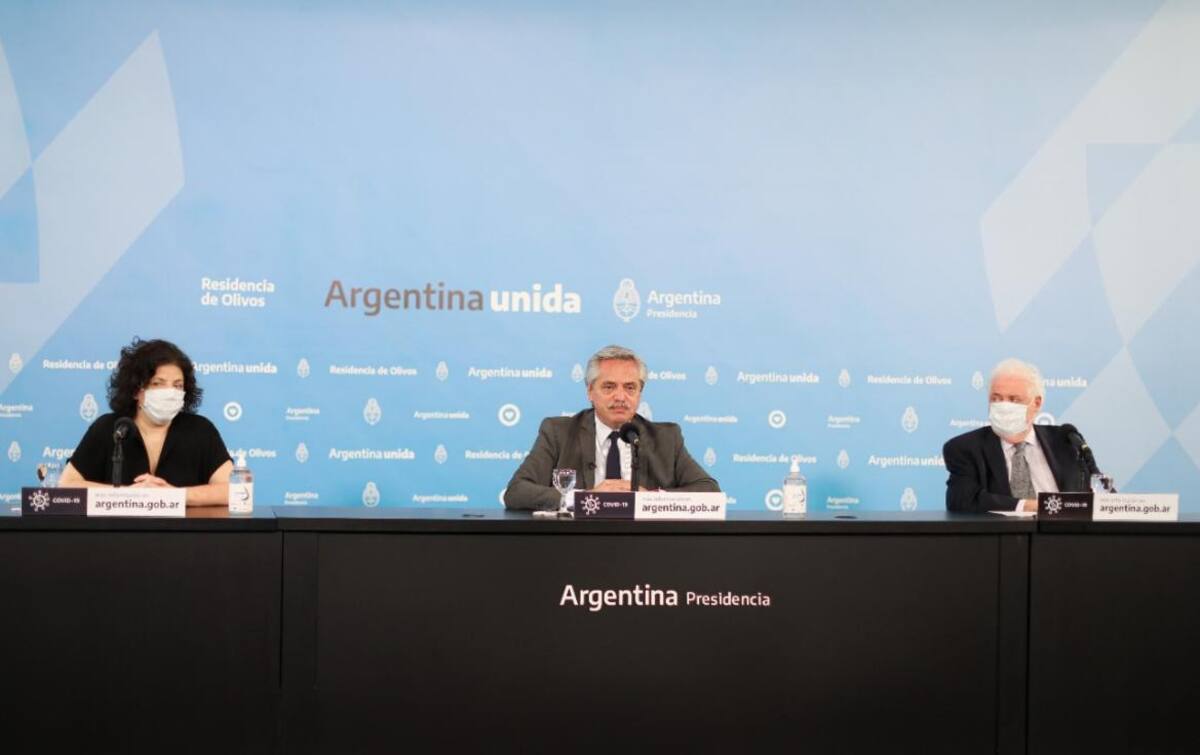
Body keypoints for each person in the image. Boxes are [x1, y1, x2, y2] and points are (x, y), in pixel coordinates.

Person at [504, 345, 719, 510]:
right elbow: (516, 492)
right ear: (590, 392)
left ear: (639, 394)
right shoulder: (558, 432)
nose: (620, 397)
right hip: (575, 542)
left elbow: (709, 491)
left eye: (630, 388)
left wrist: (652, 498)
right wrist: (584, 498)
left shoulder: (666, 437)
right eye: (609, 387)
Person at [60, 338, 233, 506]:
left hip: (184, 534)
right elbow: (67, 486)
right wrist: (128, 496)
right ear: (136, 390)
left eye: (178, 385)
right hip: (119, 534)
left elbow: (234, 490)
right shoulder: (110, 428)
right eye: (158, 383)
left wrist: (175, 496)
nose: (170, 392)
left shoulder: (200, 430)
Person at [943, 358, 1094, 513]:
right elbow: (961, 501)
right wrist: (1031, 506)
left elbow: (1096, 496)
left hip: (1065, 534)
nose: (1003, 406)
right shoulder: (964, 448)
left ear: (1036, 403)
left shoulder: (1065, 440)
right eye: (996, 398)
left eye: (1014, 400)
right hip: (1003, 535)